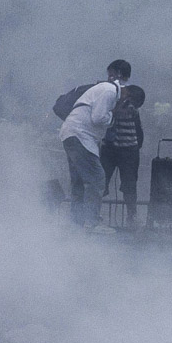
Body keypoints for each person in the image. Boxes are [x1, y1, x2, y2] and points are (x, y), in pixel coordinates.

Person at [59, 59, 130, 231]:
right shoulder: (110, 90)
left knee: (78, 181)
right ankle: (92, 222)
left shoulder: (103, 90)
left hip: (71, 133)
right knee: (97, 179)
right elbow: (98, 118)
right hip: (80, 135)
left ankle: (76, 223)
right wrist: (114, 117)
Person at [101, 84, 145, 230]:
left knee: (130, 186)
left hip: (128, 150)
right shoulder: (113, 101)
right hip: (111, 148)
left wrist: (136, 146)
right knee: (101, 181)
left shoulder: (131, 108)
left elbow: (134, 122)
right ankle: (92, 215)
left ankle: (132, 218)